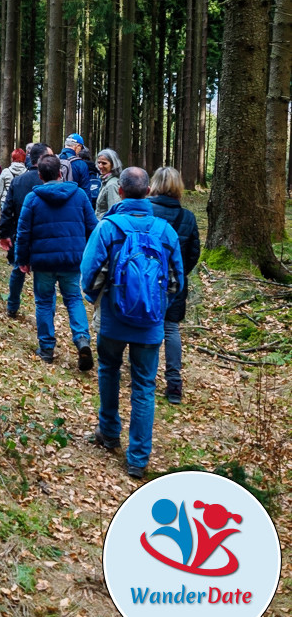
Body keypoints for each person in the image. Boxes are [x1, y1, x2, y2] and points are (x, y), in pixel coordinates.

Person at [80, 167, 184, 479]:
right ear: (148, 192)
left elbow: (89, 274)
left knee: (109, 370)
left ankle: (109, 431)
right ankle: (138, 458)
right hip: (151, 323)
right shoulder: (165, 231)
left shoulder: (109, 227)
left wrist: (97, 299)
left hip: (113, 317)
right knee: (144, 386)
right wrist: (157, 304)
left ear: (121, 192)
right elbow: (177, 282)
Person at [15, 154, 97, 369]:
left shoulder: (32, 199)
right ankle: (81, 339)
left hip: (43, 262)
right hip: (72, 260)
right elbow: (93, 228)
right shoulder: (79, 195)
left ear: (40, 175)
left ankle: (46, 348)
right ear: (60, 173)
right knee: (73, 299)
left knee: (43, 301)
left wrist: (22, 260)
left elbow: (23, 233)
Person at [149, 167, 201, 405]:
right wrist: (179, 275)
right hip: (174, 284)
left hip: (145, 280)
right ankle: (174, 384)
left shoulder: (145, 211)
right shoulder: (187, 218)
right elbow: (193, 253)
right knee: (171, 330)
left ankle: (143, 375)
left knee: (144, 326)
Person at [0, 142, 50, 318]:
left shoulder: (18, 181)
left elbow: (7, 210)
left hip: (20, 234)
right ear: (41, 159)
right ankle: (45, 314)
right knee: (42, 277)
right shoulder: (50, 182)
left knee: (17, 270)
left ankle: (12, 306)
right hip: (44, 236)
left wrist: (4, 233)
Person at [0, 149, 27, 217]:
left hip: (6, 202)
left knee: (6, 225)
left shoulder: (6, 172)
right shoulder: (27, 173)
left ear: (12, 158)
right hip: (21, 203)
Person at [95, 148, 123, 218]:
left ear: (113, 164)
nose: (100, 166)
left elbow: (114, 212)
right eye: (99, 162)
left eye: (104, 163)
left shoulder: (112, 184)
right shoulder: (105, 181)